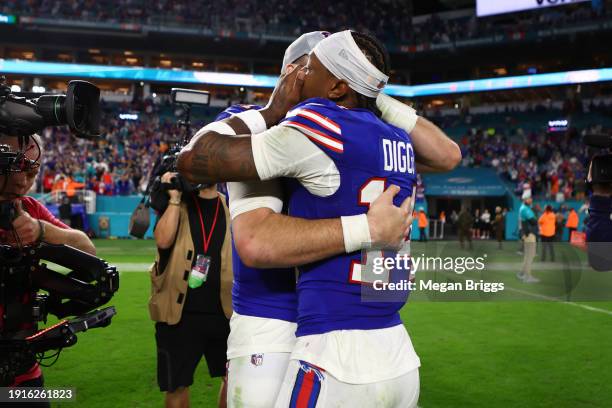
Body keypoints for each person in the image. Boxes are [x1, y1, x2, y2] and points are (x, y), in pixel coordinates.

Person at [178, 29, 461, 407]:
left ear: (336, 84)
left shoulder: (333, 124)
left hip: (329, 325)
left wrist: (370, 91)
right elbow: (255, 241)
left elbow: (446, 155)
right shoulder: (255, 123)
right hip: (276, 315)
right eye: (307, 66)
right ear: (293, 73)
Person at [0, 133, 95, 406]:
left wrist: (42, 230)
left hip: (23, 370)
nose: (25, 181)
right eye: (20, 167)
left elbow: (87, 249)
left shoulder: (29, 208)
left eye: (34, 170)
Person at [150, 171, 233, 408]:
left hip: (224, 311)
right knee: (176, 384)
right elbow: (163, 240)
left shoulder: (229, 206)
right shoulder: (178, 203)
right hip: (179, 313)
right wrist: (174, 198)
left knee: (235, 378)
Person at [519, 197, 539, 283]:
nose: (531, 200)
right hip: (530, 234)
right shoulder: (526, 209)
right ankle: (527, 276)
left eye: (531, 198)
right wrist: (535, 214)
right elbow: (534, 222)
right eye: (529, 199)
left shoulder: (523, 208)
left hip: (527, 234)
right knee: (530, 255)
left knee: (527, 255)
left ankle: (522, 273)